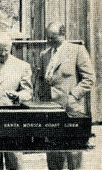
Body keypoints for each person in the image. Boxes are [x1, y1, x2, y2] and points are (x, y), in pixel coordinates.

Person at [35, 22, 95, 170]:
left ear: (62, 35)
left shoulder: (77, 51)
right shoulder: (44, 55)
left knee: (73, 154)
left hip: (71, 111)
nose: (49, 41)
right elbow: (41, 80)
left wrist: (73, 96)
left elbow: (89, 78)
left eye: (52, 37)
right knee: (54, 155)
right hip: (50, 111)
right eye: (47, 38)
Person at [0, 33, 33, 170]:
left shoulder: (22, 66)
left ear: (10, 48)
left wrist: (17, 96)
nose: (3, 53)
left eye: (6, 50)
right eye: (0, 50)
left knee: (14, 159)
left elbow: (28, 92)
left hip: (12, 119)